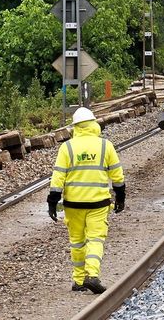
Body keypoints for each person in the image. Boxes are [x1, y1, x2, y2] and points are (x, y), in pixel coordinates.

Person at [48, 107, 125, 294]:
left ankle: (79, 280)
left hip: (73, 204)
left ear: (75, 127)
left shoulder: (67, 147)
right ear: (93, 124)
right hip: (98, 203)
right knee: (95, 239)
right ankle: (92, 275)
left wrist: (52, 201)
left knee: (77, 242)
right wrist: (121, 197)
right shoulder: (105, 146)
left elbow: (58, 177)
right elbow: (117, 175)